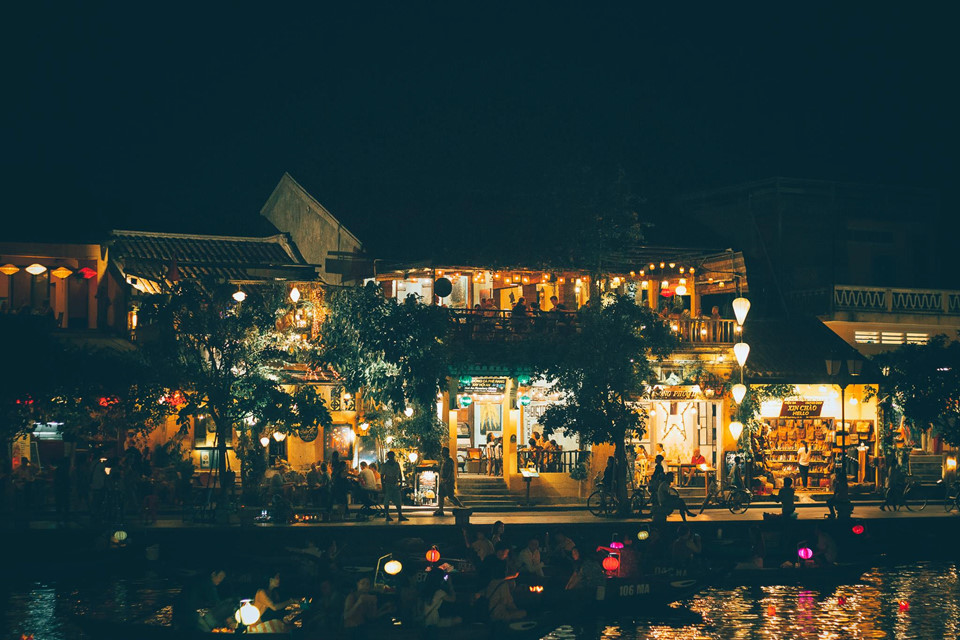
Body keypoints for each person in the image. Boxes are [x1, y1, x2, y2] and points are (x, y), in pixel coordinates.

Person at [434, 447, 464, 516]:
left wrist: (447, 479)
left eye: (444, 452)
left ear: (447, 452)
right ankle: (440, 509)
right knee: (441, 495)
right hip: (443, 480)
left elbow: (451, 471)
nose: (442, 453)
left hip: (448, 481)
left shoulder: (450, 461)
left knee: (451, 496)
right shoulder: (444, 461)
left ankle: (461, 506)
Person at [380, 451, 408, 522]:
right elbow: (382, 476)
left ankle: (400, 515)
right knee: (387, 500)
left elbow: (400, 474)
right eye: (390, 456)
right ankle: (387, 515)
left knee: (398, 500)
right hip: (388, 484)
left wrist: (400, 483)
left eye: (392, 456)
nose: (391, 457)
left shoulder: (396, 464)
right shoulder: (385, 465)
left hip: (395, 484)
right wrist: (383, 486)